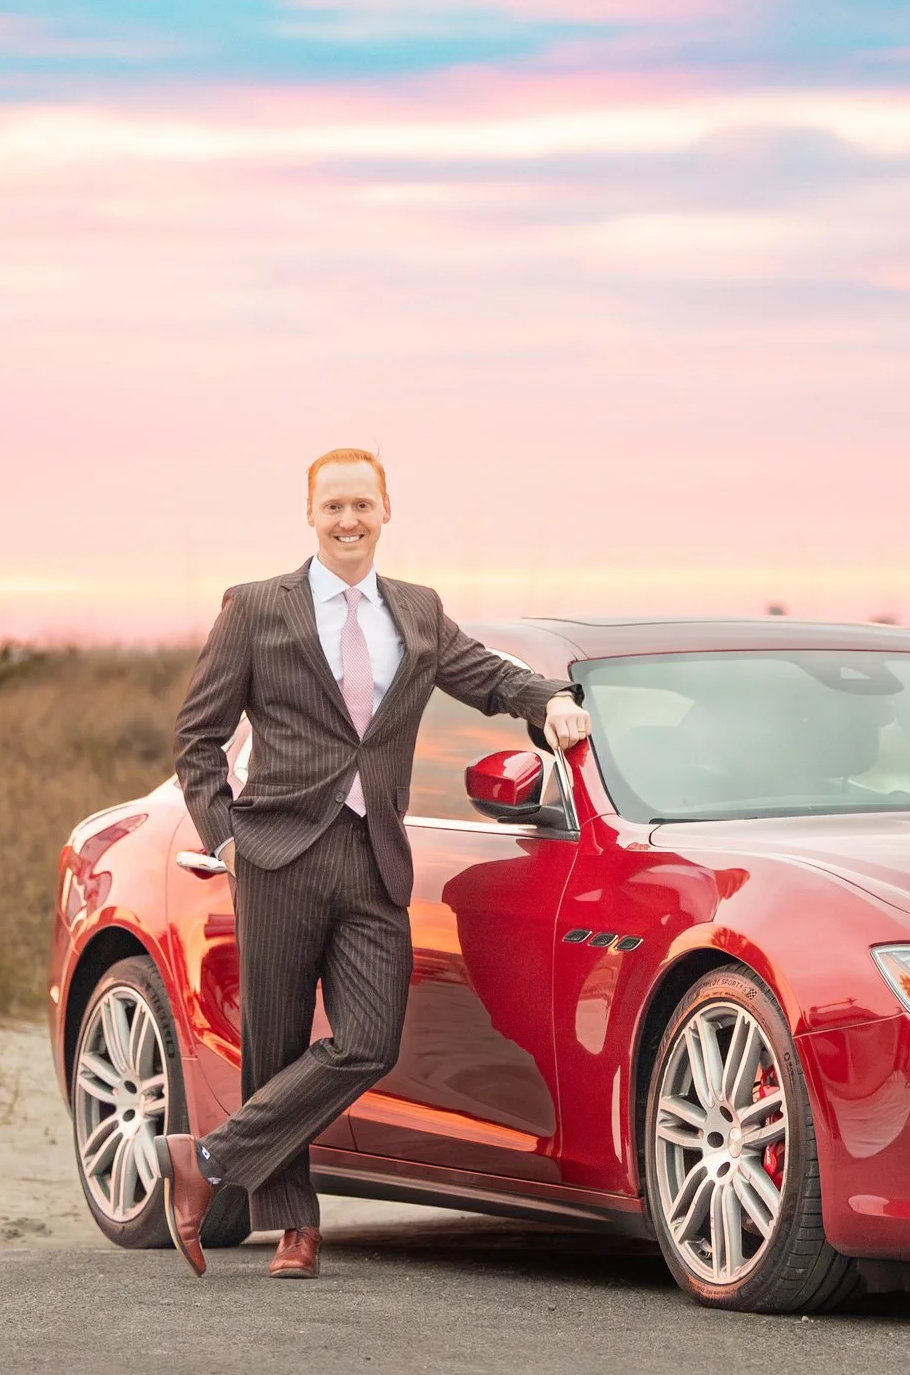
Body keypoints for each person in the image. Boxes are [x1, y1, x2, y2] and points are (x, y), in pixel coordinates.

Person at [158, 447, 590, 1280]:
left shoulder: (418, 611)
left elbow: (486, 675)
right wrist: (226, 839)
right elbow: (197, 739)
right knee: (276, 1045)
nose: (348, 520)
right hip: (277, 854)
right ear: (311, 515)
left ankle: (207, 1159)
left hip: (373, 858)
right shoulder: (255, 608)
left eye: (363, 504)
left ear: (386, 510)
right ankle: (293, 1224)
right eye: (333, 507)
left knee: (367, 1040)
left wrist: (549, 701)